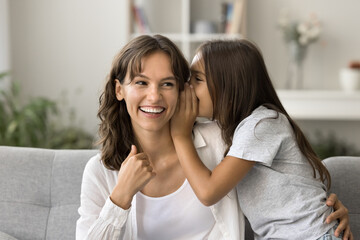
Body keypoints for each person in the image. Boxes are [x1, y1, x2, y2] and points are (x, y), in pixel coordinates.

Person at [76, 35, 351, 240]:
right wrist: (120, 197)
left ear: (182, 90)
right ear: (119, 90)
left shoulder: (224, 140)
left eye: (168, 84)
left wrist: (322, 213)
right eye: (141, 82)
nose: (154, 96)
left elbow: (282, 176)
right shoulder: (101, 173)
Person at [170, 39, 353, 239]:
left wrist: (180, 135)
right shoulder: (234, 129)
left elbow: (208, 192)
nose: (187, 88)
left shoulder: (262, 124)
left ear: (229, 86)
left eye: (197, 79)